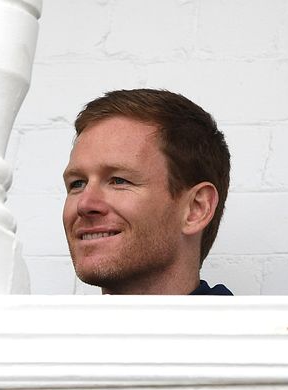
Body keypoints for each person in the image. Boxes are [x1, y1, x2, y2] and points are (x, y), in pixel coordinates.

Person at [62, 89, 232, 295]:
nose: (84, 205)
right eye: (77, 183)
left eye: (118, 181)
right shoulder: (41, 326)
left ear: (196, 208)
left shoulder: (255, 328)